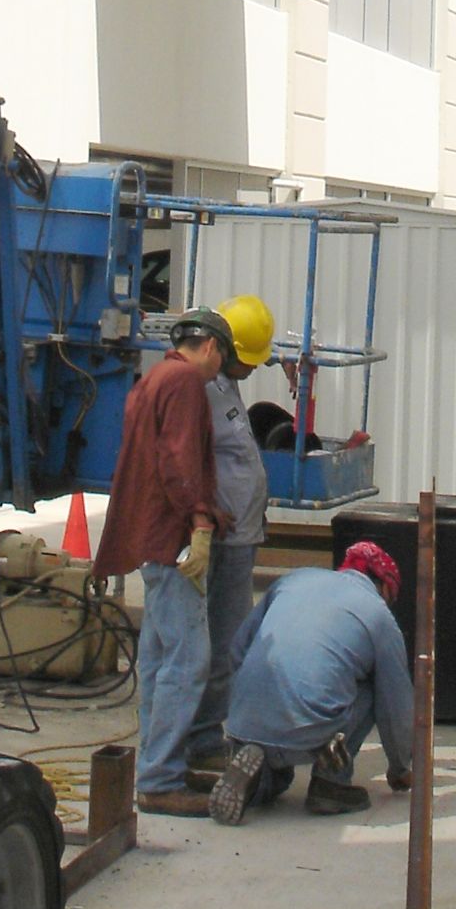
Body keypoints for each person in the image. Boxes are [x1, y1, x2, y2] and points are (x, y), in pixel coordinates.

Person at [92, 311, 226, 817]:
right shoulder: (186, 382)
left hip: (150, 537)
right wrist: (200, 521)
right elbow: (179, 460)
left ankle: (156, 764)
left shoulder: (153, 379)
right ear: (210, 347)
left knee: (158, 658)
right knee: (189, 659)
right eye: (223, 359)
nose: (220, 371)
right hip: (172, 540)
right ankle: (160, 778)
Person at [210, 540, 414, 823]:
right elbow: (396, 705)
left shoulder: (294, 580)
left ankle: (258, 776)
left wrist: (245, 708)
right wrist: (400, 767)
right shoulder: (379, 615)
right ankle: (330, 782)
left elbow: (238, 649)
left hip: (245, 719)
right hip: (310, 729)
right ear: (385, 588)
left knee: (278, 780)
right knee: (374, 686)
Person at [185, 295, 276, 790]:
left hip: (239, 533)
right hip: (220, 538)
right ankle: (200, 740)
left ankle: (203, 734)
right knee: (218, 644)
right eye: (251, 360)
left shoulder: (226, 381)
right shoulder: (199, 389)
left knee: (228, 639)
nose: (254, 368)